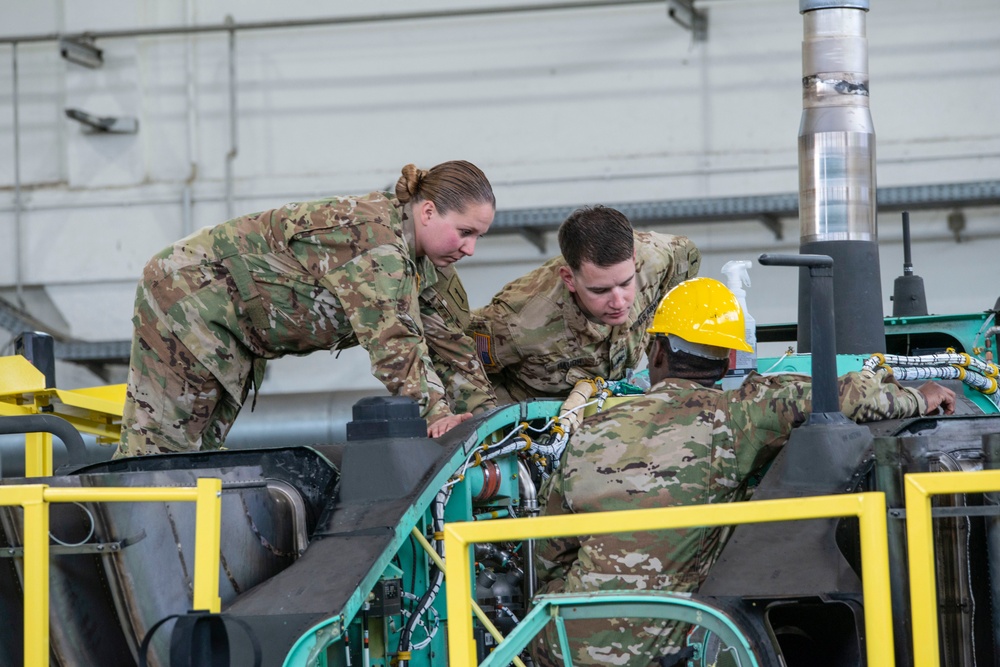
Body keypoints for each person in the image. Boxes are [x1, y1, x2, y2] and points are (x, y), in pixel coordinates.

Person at [531, 277, 956, 667]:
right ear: (730, 358)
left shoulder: (588, 429)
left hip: (560, 643)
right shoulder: (736, 415)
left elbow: (549, 556)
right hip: (657, 650)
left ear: (655, 349)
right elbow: (844, 396)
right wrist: (918, 398)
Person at [117, 160, 499, 457]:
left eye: (479, 237)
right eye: (465, 232)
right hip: (188, 295)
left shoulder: (428, 265)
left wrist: (490, 426)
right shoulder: (375, 241)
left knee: (198, 453)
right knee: (161, 454)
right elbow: (394, 344)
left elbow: (452, 348)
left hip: (235, 325)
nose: (470, 249)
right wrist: (437, 415)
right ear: (428, 212)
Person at [469, 205, 701, 403]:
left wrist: (660, 351)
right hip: (537, 423)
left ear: (633, 258)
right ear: (569, 278)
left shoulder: (659, 258)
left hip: (610, 404)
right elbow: (458, 364)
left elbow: (685, 257)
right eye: (600, 290)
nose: (619, 302)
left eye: (626, 283)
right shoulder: (516, 323)